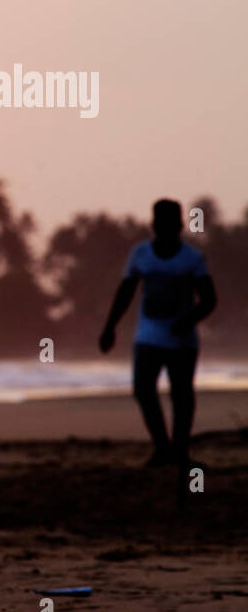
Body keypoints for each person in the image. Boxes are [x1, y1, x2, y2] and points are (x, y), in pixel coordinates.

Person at [99, 199, 217, 467]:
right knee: (143, 389)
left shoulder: (192, 258)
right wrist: (110, 327)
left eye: (171, 225)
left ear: (179, 226)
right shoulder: (140, 255)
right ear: (153, 226)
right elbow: (126, 292)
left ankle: (181, 453)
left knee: (182, 394)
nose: (165, 231)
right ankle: (163, 448)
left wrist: (188, 319)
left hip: (183, 340)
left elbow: (209, 300)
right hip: (148, 336)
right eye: (160, 225)